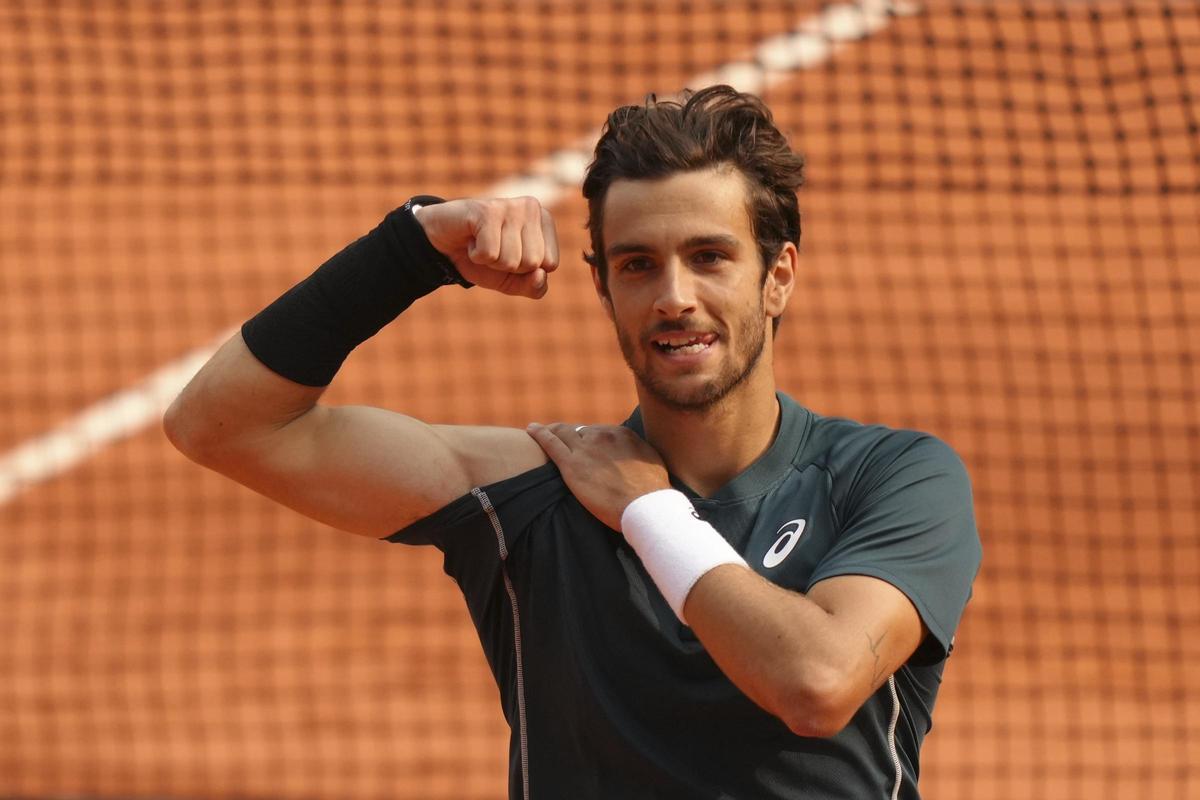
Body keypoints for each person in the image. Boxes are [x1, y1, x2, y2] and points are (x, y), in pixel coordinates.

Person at [164, 85, 981, 800]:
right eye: (636, 265)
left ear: (779, 276)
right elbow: (221, 425)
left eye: (709, 258)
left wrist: (649, 512)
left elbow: (817, 681)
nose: (674, 298)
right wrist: (408, 251)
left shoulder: (889, 479)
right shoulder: (533, 492)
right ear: (601, 286)